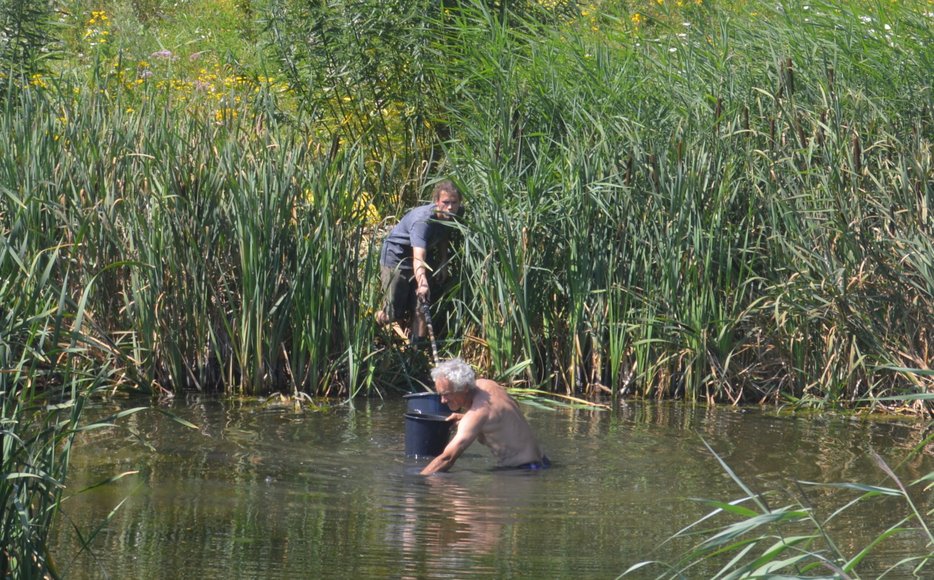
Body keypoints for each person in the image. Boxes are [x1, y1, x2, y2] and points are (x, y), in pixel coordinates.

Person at [420, 358, 550, 475]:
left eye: (447, 394)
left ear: (464, 387)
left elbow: (447, 458)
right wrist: (464, 417)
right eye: (440, 394)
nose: (443, 400)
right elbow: (508, 409)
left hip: (523, 472)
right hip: (542, 461)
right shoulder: (487, 385)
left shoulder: (476, 415)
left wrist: (417, 481)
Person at [375, 179, 462, 344]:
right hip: (397, 258)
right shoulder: (422, 222)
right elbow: (418, 257)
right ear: (436, 202)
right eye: (445, 202)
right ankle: (372, 322)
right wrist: (422, 283)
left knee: (422, 308)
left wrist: (444, 261)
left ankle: (417, 353)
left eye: (454, 202)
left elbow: (445, 233)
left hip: (422, 259)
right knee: (393, 314)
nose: (450, 207)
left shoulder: (453, 214)